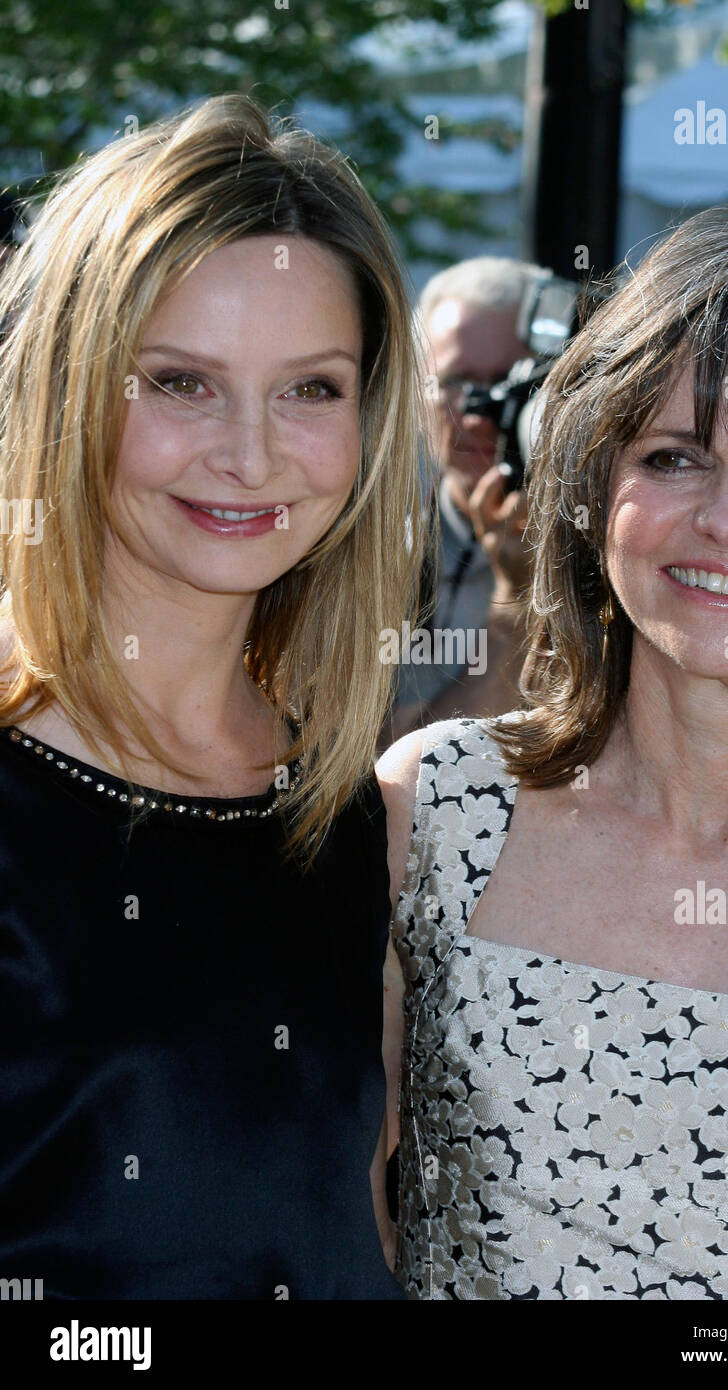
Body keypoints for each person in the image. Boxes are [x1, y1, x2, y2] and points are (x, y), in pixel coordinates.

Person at [378, 204, 728, 1300]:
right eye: (674, 455)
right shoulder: (437, 814)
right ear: (594, 483)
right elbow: (332, 1229)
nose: (726, 520)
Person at [0, 94, 425, 1299]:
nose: (250, 453)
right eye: (180, 383)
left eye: (310, 388)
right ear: (68, 388)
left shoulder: (337, 807)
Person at [386, 257, 541, 741]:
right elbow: (388, 775)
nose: (477, 416)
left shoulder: (618, 541)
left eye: (508, 385)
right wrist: (515, 606)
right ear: (415, 392)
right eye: (457, 383)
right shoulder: (372, 550)